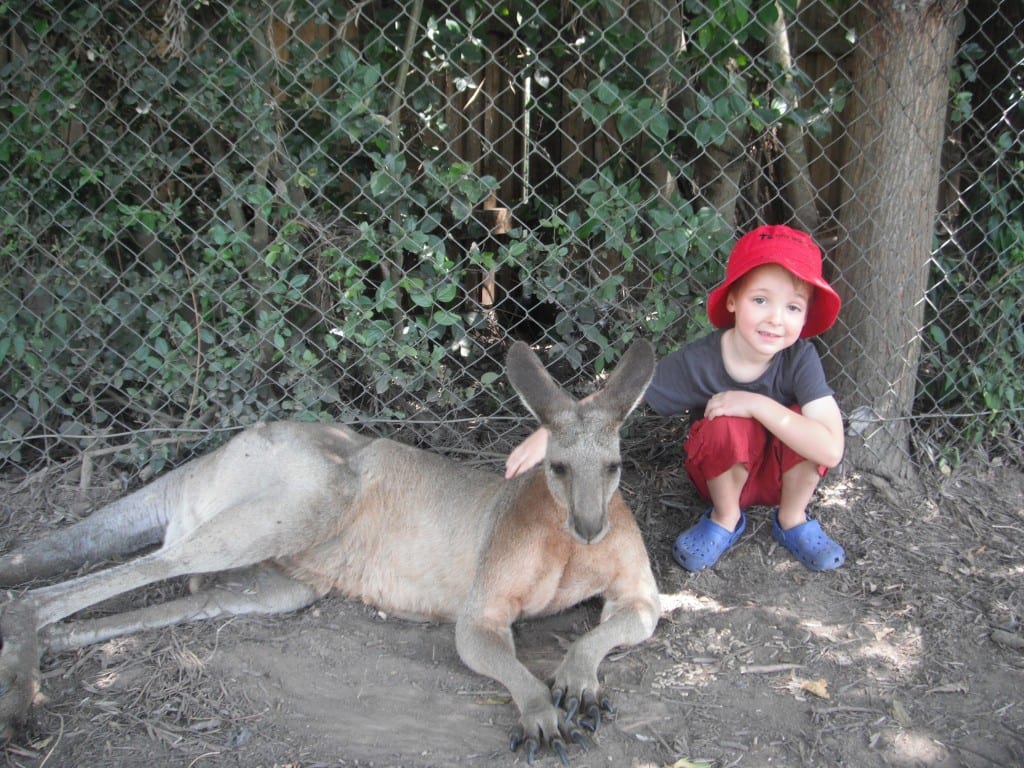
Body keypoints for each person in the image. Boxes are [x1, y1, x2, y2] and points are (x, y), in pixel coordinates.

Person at [504, 224, 846, 572]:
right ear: (732, 300)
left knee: (803, 418)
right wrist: (553, 431)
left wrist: (757, 404)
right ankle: (724, 519)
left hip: (780, 482)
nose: (775, 318)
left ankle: (792, 519)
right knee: (724, 422)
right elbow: (615, 399)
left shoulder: (801, 359)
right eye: (760, 300)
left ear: (805, 315)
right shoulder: (701, 360)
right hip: (723, 479)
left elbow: (831, 449)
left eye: (793, 308)